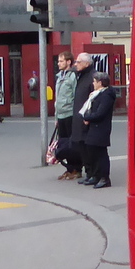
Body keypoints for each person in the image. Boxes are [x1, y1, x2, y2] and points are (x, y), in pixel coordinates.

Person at [78, 71, 117, 189]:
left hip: (101, 127)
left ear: (100, 83)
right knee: (91, 150)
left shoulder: (106, 95)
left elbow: (100, 113)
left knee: (101, 153)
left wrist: (87, 117)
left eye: (94, 81)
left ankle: (105, 178)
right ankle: (96, 175)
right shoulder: (96, 94)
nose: (93, 84)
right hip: (94, 127)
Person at [53, 51, 82, 180]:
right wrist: (56, 117)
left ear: (68, 62)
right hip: (61, 115)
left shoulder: (73, 77)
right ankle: (69, 169)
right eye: (58, 61)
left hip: (70, 114)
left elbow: (76, 96)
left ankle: (76, 168)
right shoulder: (60, 76)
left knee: (72, 144)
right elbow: (57, 98)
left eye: (61, 61)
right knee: (63, 144)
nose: (58, 63)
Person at [68, 53, 96, 181]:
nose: (76, 64)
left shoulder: (92, 77)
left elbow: (94, 100)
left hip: (87, 120)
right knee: (82, 147)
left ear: (86, 63)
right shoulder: (81, 76)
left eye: (78, 62)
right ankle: (89, 173)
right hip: (79, 119)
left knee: (89, 148)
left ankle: (92, 173)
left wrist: (89, 117)